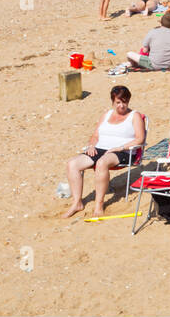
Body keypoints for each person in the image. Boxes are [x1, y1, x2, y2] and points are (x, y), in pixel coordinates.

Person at [62, 85, 145, 218]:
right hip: (100, 148)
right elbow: (95, 136)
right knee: (72, 164)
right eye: (118, 102)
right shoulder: (106, 115)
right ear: (113, 101)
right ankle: (77, 202)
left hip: (123, 151)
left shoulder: (134, 116)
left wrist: (121, 147)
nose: (122, 105)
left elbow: (140, 139)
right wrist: (91, 146)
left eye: (125, 102)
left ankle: (98, 205)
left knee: (101, 163)